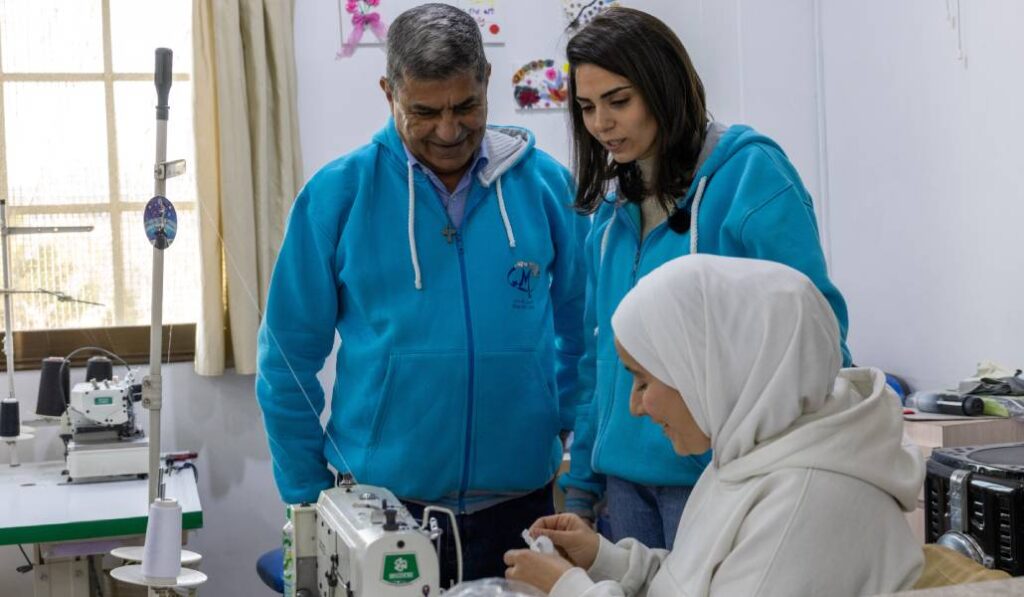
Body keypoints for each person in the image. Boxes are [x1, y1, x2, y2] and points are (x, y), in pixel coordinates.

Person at [255, 3, 586, 585]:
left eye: (466, 106)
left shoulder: (547, 188)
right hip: (380, 517)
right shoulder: (338, 196)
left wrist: (559, 426)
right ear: (389, 92)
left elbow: (586, 333)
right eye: (424, 111)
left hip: (521, 512)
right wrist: (308, 499)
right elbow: (285, 363)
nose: (449, 130)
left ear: (486, 80)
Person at [558, 7, 853, 548]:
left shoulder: (749, 175)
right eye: (586, 107)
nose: (600, 124)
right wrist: (580, 489)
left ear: (663, 88)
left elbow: (817, 333)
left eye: (618, 101)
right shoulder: (608, 215)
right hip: (625, 485)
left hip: (723, 479)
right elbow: (597, 359)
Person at [506, 254, 925, 596]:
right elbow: (699, 583)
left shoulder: (807, 497)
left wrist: (569, 589)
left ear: (707, 370)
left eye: (643, 380)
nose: (635, 406)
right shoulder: (753, 457)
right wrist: (603, 559)